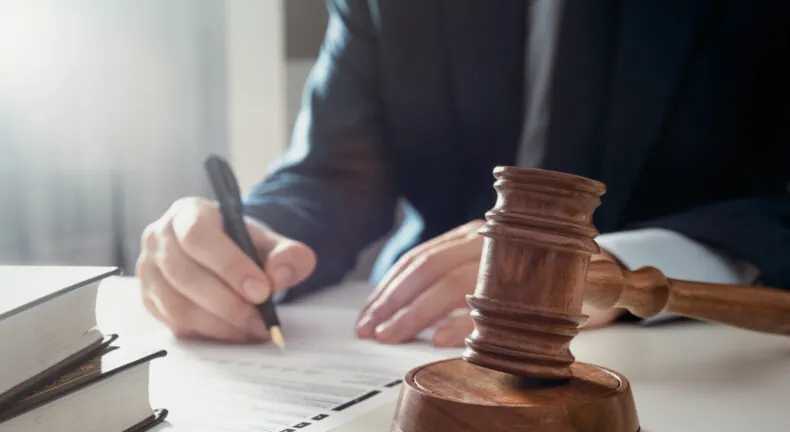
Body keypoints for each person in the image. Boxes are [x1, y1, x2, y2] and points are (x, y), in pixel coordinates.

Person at [136, 0, 790, 347]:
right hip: (414, 344)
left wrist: (604, 270)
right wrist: (248, 236)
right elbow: (333, 172)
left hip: (707, 360)